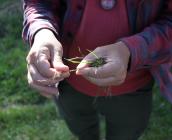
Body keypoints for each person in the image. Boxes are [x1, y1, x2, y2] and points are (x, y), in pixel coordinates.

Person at [22, 0, 172, 140]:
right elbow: (38, 2)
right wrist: (42, 32)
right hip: (67, 81)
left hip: (134, 84)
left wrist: (130, 50)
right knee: (80, 127)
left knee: (127, 132)